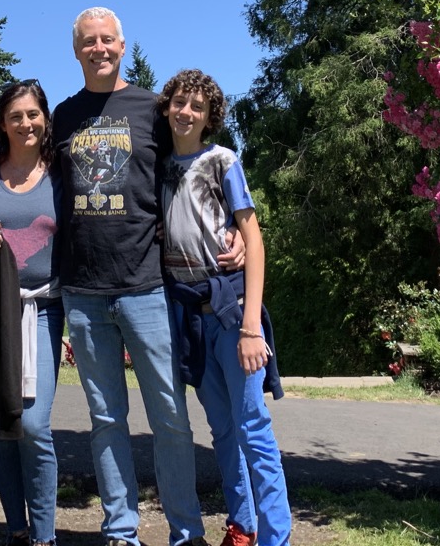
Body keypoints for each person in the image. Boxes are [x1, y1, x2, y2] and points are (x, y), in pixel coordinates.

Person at [52, 7, 213, 546]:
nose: (99, 48)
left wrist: (231, 226)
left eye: (108, 40)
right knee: (106, 420)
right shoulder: (62, 116)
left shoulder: (151, 109)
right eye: (88, 42)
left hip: (146, 285)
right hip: (84, 290)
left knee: (170, 417)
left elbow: (192, 170)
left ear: (122, 46)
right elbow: (32, 183)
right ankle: (120, 531)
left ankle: (185, 530)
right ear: (76, 52)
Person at [158, 70, 289, 546]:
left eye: (197, 106)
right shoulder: (159, 165)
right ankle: (243, 525)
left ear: (210, 116)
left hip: (233, 312)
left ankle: (277, 536)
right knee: (221, 429)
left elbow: (252, 237)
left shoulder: (223, 161)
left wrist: (252, 326)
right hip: (188, 313)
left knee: (253, 426)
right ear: (167, 106)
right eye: (178, 102)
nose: (186, 112)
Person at [0, 80, 63, 546]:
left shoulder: (63, 173)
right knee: (3, 427)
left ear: (45, 118)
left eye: (33, 114)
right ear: (2, 123)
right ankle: (17, 530)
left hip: (43, 310)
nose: (26, 123)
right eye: (15, 115)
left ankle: (44, 535)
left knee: (35, 426)